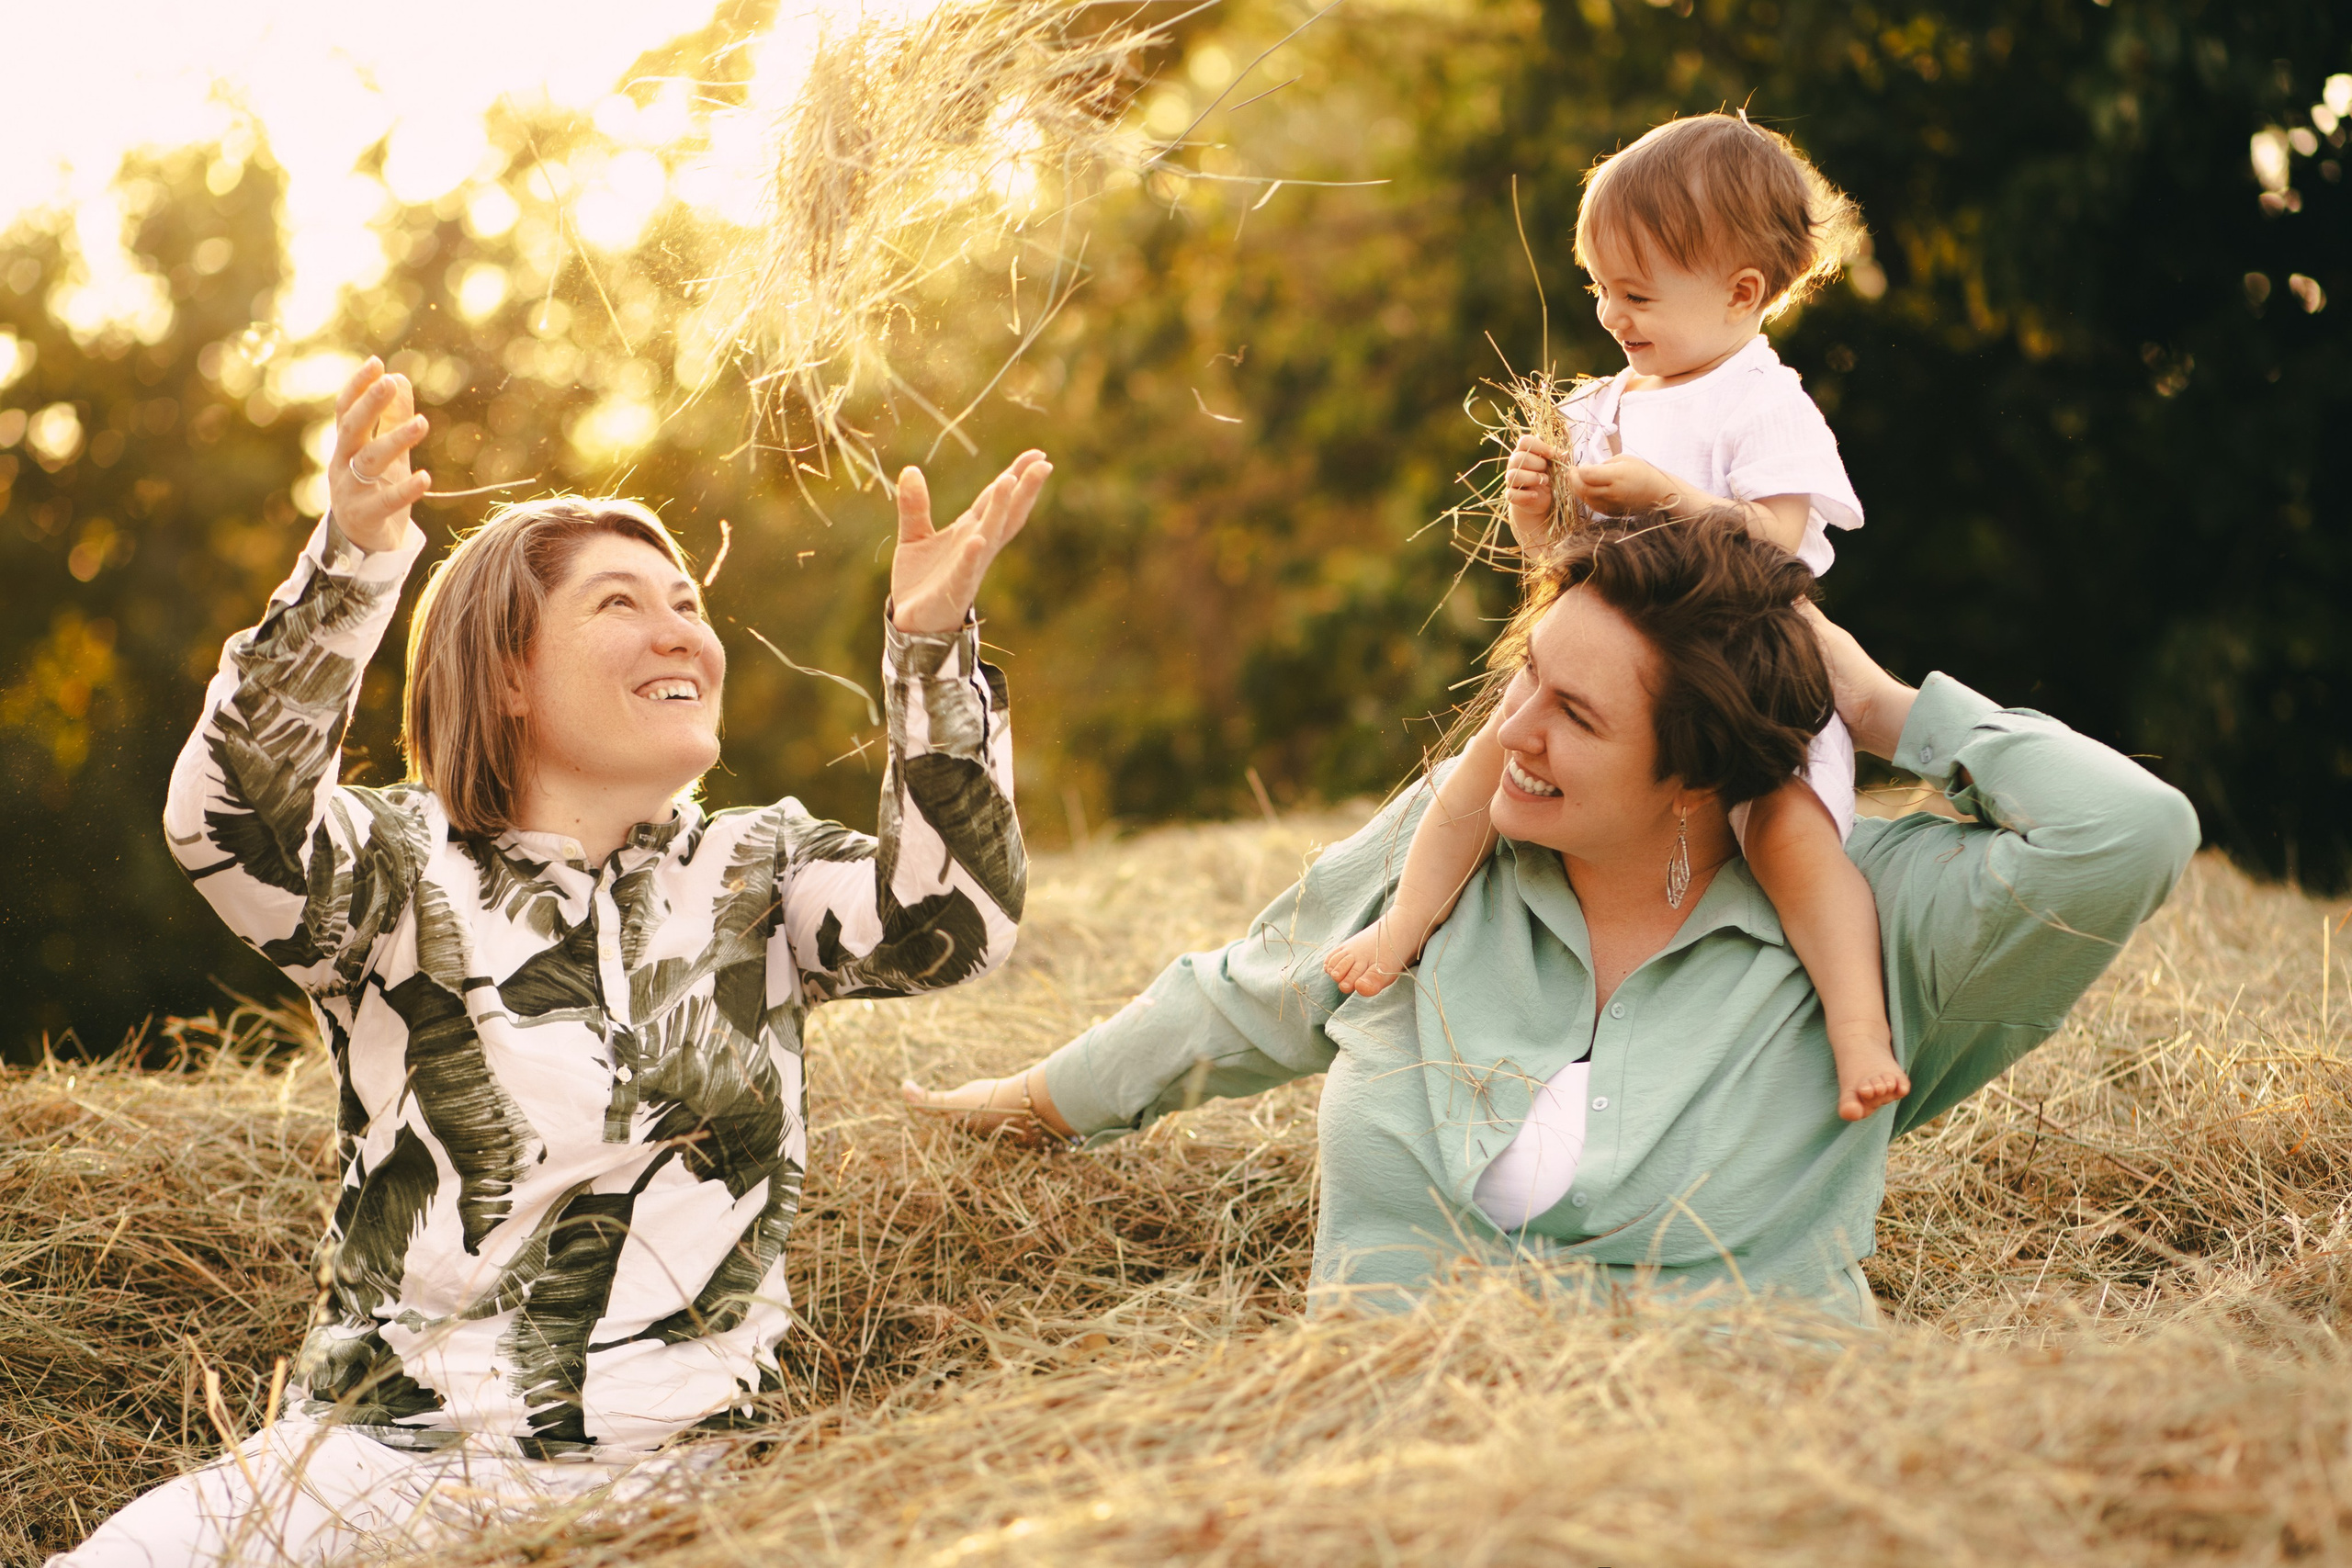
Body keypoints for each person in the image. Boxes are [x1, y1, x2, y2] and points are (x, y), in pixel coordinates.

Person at [61, 360, 1047, 1567]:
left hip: (687, 1478)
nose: (679, 626)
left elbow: (953, 922)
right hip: (387, 1462)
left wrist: (931, 650)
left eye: (685, 600)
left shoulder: (762, 870)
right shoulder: (395, 869)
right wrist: (350, 567)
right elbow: (230, 823)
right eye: (621, 602)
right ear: (510, 671)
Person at [906, 511, 2199, 1323]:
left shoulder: (1867, 925)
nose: (1510, 734)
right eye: (1528, 676)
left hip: (1754, 1500)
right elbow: (1240, 992)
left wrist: (1870, 699)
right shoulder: (1451, 850)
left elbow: (2132, 831)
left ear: (1698, 771)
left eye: (1576, 716)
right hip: (1380, 1483)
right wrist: (1021, 1104)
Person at [1324, 112, 1908, 1122]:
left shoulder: (1760, 405)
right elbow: (1561, 572)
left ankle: (1857, 1025)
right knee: (1471, 777)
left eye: (1635, 295)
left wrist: (1666, 497)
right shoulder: (1601, 402)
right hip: (1608, 670)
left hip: (1739, 671)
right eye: (1597, 288)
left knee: (1788, 835)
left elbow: (1774, 548)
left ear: (1742, 294)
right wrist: (1540, 519)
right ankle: (1404, 923)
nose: (1610, 314)